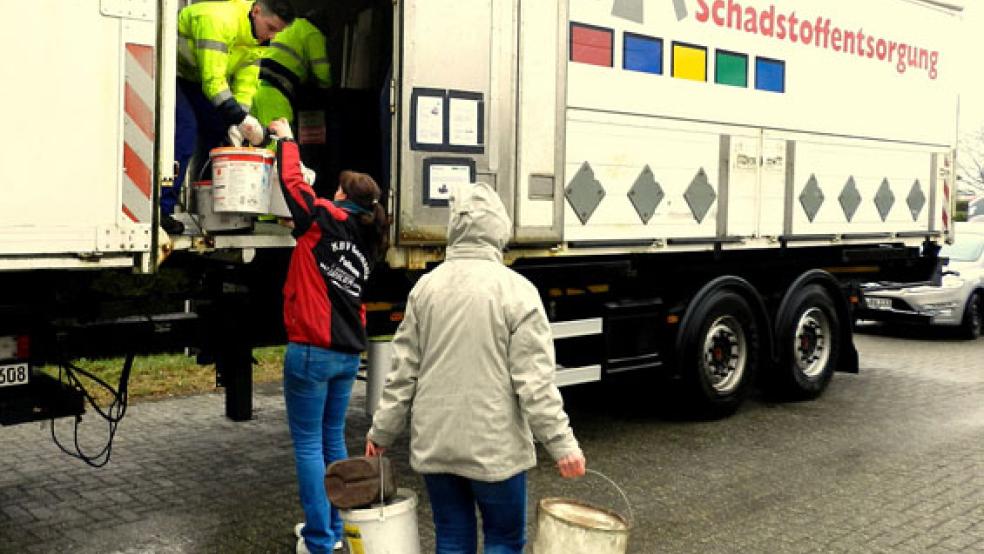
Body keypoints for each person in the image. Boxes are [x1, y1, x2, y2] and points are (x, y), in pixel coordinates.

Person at [364, 182, 586, 554]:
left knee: (452, 537)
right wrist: (562, 445)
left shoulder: (425, 289)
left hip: (436, 445)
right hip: (494, 448)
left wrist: (381, 432)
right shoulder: (517, 291)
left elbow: (402, 374)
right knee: (503, 538)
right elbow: (534, 383)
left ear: (455, 228)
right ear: (499, 229)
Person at [267, 118, 387, 554]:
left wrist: (286, 138)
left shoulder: (321, 218)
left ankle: (319, 540)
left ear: (342, 197)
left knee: (307, 446)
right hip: (345, 355)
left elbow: (292, 181)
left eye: (337, 189)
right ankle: (335, 532)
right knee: (333, 440)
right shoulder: (369, 237)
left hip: (311, 352)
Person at [166, 0, 296, 235]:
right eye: (271, 27)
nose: (273, 36)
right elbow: (213, 81)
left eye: (278, 31)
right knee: (185, 131)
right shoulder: (217, 20)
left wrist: (240, 122)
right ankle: (162, 211)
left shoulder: (257, 38)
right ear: (256, 12)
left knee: (221, 136)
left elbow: (245, 84)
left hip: (195, 80)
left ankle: (217, 214)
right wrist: (241, 120)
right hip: (170, 72)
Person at [252, 9, 333, 127]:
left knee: (256, 140)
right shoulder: (313, 32)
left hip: (254, 87)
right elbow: (322, 72)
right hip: (275, 93)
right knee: (279, 140)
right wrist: (328, 94)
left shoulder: (289, 25)